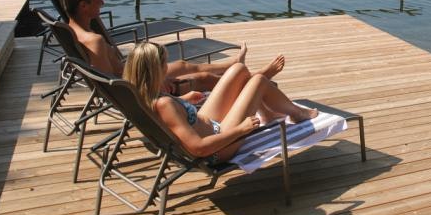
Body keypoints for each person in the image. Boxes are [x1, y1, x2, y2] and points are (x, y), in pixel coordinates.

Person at [63, 0, 281, 92]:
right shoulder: (95, 41)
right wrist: (159, 83)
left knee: (185, 65)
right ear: (83, 6)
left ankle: (233, 64)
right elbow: (112, 86)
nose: (102, 2)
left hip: (136, 73)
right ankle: (257, 79)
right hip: (140, 85)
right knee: (203, 79)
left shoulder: (72, 29)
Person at [124, 41, 317, 162]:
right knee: (258, 81)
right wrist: (242, 129)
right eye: (164, 64)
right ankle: (296, 113)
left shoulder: (141, 96)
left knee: (238, 70)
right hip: (219, 146)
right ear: (155, 70)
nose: (167, 67)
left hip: (205, 123)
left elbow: (168, 117)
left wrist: (183, 101)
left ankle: (267, 112)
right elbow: (199, 148)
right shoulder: (164, 105)